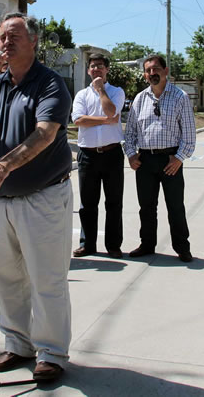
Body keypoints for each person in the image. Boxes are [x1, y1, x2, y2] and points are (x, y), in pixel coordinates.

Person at [0, 12, 73, 383]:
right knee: (6, 278)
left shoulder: (50, 83)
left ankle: (51, 352)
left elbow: (44, 135)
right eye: (1, 37)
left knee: (46, 278)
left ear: (34, 41)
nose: (5, 42)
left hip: (42, 198)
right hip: (1, 202)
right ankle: (17, 343)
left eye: (14, 36)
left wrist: (4, 165)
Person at [123, 54, 196, 262]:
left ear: (165, 71)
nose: (152, 73)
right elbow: (129, 134)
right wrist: (131, 155)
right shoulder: (139, 99)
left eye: (155, 69)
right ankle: (147, 244)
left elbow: (189, 135)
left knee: (175, 206)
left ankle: (182, 247)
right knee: (146, 207)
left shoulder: (180, 97)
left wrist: (179, 158)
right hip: (145, 161)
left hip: (170, 160)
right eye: (148, 70)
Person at [71, 53, 125, 258]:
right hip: (88, 155)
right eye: (93, 66)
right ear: (88, 70)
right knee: (87, 204)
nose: (96, 70)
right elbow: (78, 120)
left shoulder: (117, 92)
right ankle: (87, 244)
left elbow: (112, 111)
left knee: (113, 202)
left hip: (112, 154)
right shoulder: (81, 95)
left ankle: (113, 245)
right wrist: (104, 120)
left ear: (107, 70)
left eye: (100, 66)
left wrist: (101, 89)